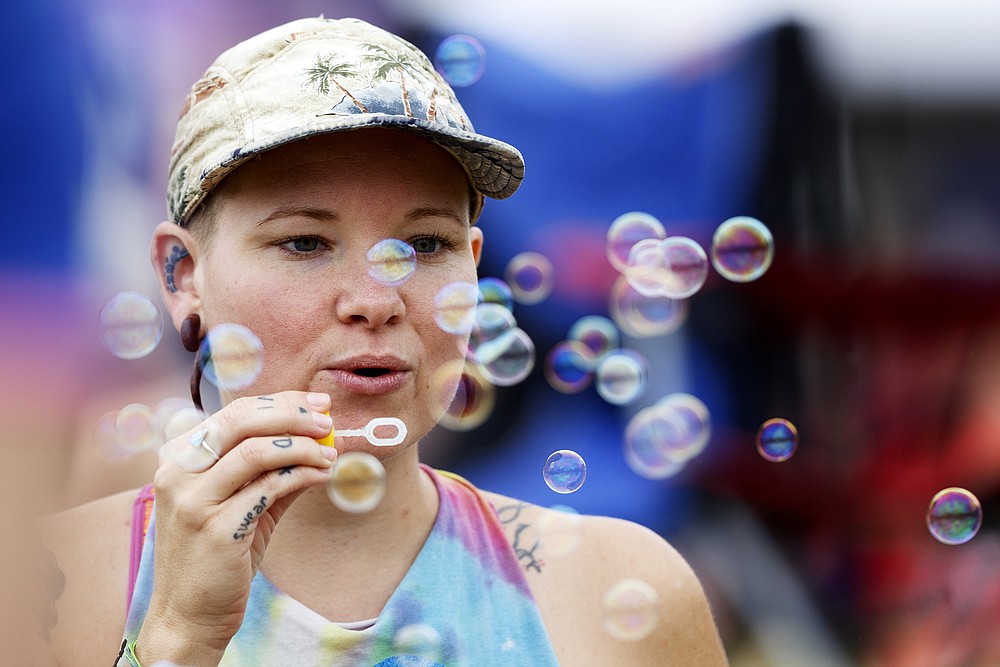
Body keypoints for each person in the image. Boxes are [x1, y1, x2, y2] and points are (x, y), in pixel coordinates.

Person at [38, 16, 728, 666]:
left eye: (426, 244)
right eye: (305, 241)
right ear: (182, 275)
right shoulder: (44, 585)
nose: (375, 299)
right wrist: (177, 639)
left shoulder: (617, 592)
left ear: (475, 263)